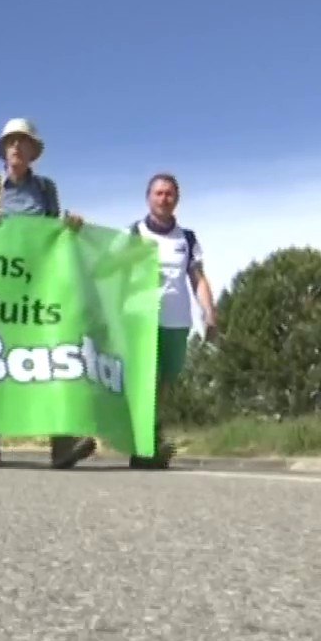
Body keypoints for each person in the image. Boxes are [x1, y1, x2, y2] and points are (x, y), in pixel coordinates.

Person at [0, 118, 95, 470]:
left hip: (37, 286)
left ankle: (61, 446)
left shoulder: (45, 188)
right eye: (11, 141)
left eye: (23, 142)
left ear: (32, 151)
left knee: (51, 358)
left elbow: (54, 231)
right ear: (4, 149)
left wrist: (69, 226)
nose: (16, 147)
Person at [129, 173, 218, 469]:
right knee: (147, 381)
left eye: (169, 194)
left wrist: (209, 312)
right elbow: (115, 274)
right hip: (143, 320)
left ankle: (150, 439)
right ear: (148, 197)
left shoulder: (187, 238)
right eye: (158, 193)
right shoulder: (134, 233)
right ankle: (146, 444)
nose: (163, 199)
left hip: (177, 320)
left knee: (167, 381)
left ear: (176, 199)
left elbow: (197, 277)